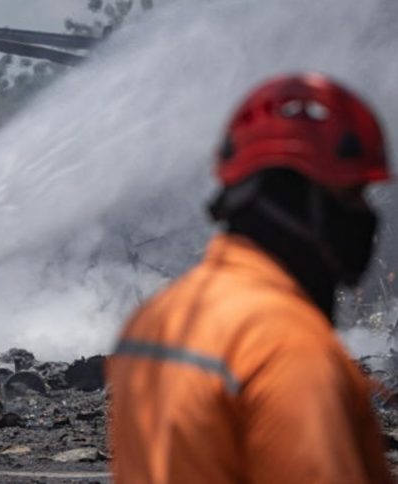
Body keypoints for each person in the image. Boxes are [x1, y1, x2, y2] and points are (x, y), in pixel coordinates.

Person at [108, 73, 392, 483]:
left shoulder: (153, 319)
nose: (365, 215)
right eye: (352, 195)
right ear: (295, 195)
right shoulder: (288, 345)